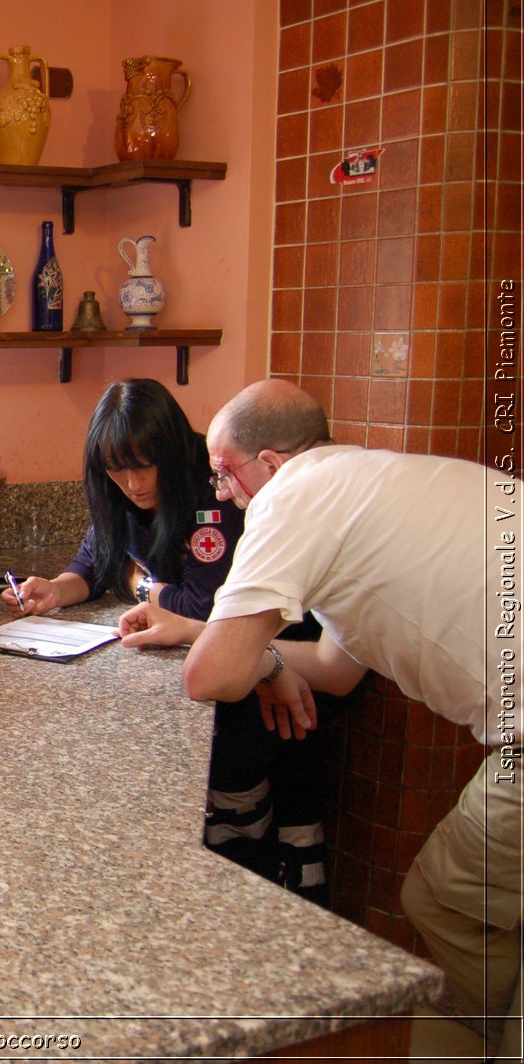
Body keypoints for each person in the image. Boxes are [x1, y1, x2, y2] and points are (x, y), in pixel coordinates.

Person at [121, 378, 521, 1055]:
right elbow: (336, 668)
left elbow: (210, 678)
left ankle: (474, 1048)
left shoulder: (291, 497)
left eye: (224, 472)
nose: (220, 493)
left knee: (445, 897)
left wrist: (221, 648)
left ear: (271, 463)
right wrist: (197, 630)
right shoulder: (368, 481)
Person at [3, 378, 335, 899]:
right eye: (117, 470)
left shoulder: (214, 494)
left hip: (280, 669)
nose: (133, 483)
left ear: (171, 450)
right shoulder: (122, 497)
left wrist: (141, 585)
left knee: (265, 822)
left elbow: (204, 607)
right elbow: (96, 560)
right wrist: (56, 591)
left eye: (144, 464)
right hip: (230, 667)